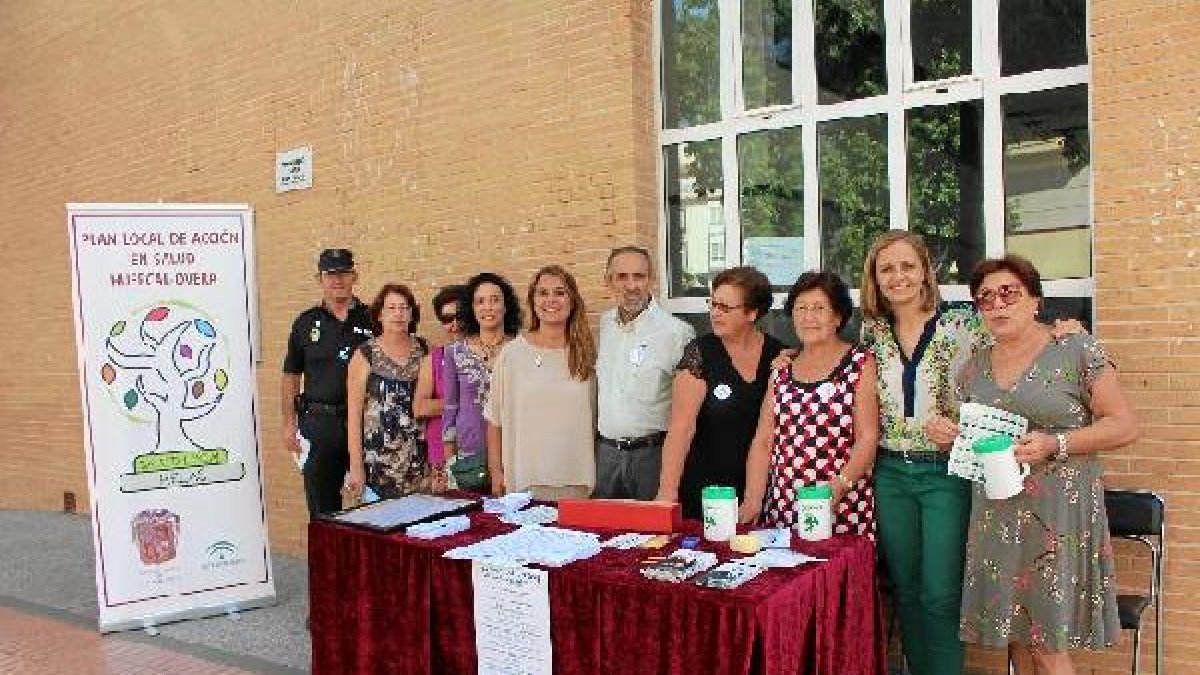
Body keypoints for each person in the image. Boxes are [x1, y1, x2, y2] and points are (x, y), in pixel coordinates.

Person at [926, 255, 1137, 675]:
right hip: (998, 516)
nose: (997, 305)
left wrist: (1055, 443)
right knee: (1018, 636)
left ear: (1035, 300)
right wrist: (947, 435)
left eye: (1009, 293)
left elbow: (1125, 425)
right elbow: (974, 445)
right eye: (985, 298)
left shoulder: (1075, 349)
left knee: (1047, 644)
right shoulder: (973, 369)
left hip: (1059, 516)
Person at [858, 230, 986, 675]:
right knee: (906, 590)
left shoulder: (964, 322)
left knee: (940, 592)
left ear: (925, 271)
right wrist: (791, 355)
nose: (898, 276)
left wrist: (1063, 330)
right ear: (875, 277)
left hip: (945, 472)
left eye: (907, 266)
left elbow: (1016, 346)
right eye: (887, 268)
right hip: (891, 472)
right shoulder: (872, 331)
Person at [741, 271, 879, 536]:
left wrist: (837, 489)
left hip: (842, 505)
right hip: (784, 507)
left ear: (837, 316)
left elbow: (867, 437)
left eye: (819, 308)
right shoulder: (782, 368)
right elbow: (763, 441)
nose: (808, 316)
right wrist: (752, 499)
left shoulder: (860, 361)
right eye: (801, 308)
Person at [655, 266, 784, 519]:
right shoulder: (700, 353)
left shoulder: (778, 355)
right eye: (712, 304)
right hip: (705, 490)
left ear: (752, 313)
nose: (715, 313)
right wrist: (667, 493)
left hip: (760, 489)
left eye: (725, 307)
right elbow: (681, 427)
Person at [485, 265, 596, 499]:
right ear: (532, 301)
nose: (551, 300)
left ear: (572, 300)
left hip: (577, 483)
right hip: (525, 483)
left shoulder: (588, 353)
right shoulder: (512, 355)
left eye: (559, 292)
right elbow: (495, 422)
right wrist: (497, 473)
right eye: (542, 293)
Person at [594, 246, 695, 500]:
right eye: (622, 277)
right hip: (606, 456)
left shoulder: (677, 333)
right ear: (608, 281)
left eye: (639, 276)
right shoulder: (602, 327)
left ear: (651, 280)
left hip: (653, 456)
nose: (631, 286)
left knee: (654, 537)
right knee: (604, 534)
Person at [281, 248, 374, 518]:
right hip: (318, 426)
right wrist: (289, 424)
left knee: (371, 505)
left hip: (365, 424)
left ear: (354, 276)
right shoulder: (305, 322)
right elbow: (290, 376)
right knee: (323, 511)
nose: (338, 280)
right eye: (330, 274)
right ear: (319, 279)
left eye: (344, 273)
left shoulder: (372, 318)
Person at [346, 283, 431, 499]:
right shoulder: (365, 355)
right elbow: (354, 415)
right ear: (380, 314)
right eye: (391, 308)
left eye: (404, 308)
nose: (398, 314)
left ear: (412, 314)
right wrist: (356, 467)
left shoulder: (426, 350)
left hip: (420, 465)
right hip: (378, 467)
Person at [439, 272, 521, 493]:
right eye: (480, 301)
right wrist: (451, 465)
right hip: (470, 458)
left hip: (515, 453)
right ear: (471, 308)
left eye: (495, 300)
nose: (488, 307)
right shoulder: (454, 353)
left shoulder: (521, 350)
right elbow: (450, 409)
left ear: (506, 306)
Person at [414, 284, 466, 491]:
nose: (454, 324)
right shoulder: (434, 359)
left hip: (481, 452)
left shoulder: (486, 355)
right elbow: (421, 408)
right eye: (446, 319)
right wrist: (467, 403)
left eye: (459, 316)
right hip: (442, 457)